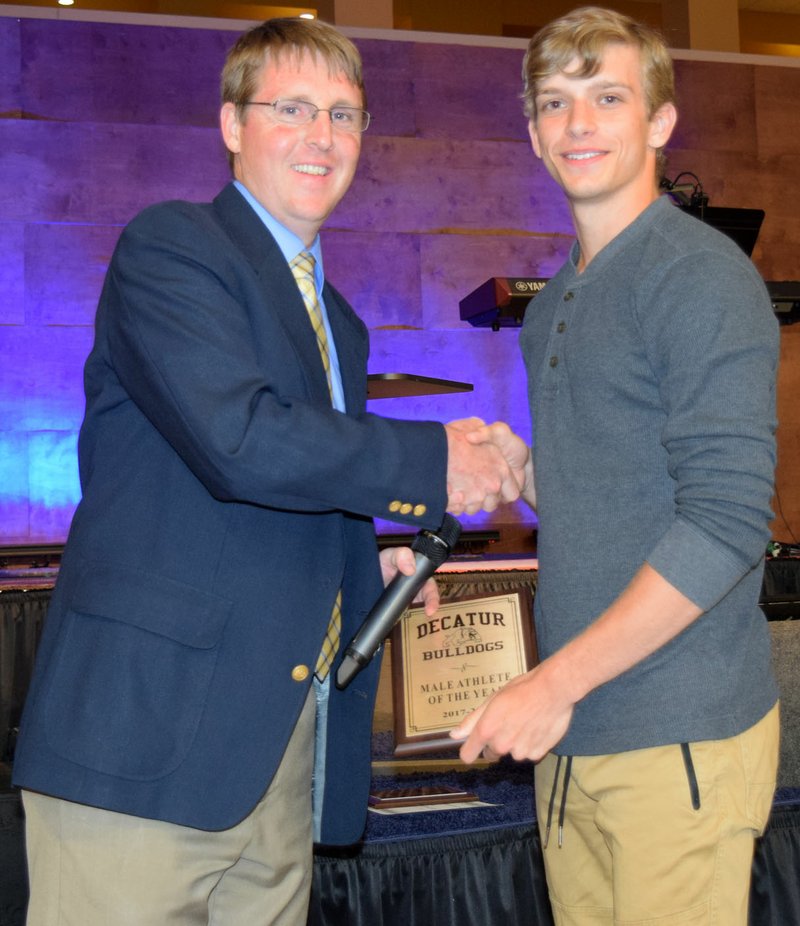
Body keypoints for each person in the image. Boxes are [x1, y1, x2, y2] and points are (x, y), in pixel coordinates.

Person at [12, 17, 526, 926]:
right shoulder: (172, 249)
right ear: (231, 124)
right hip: (146, 749)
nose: (322, 136)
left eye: (344, 114)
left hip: (277, 761)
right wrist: (437, 456)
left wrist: (355, 572)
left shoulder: (338, 317)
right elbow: (239, 440)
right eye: (291, 108)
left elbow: (288, 491)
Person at [452, 7, 780, 924]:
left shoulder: (698, 275)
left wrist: (552, 681)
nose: (580, 124)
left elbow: (724, 523)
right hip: (576, 734)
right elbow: (612, 498)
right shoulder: (556, 301)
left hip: (676, 734)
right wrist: (526, 476)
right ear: (533, 134)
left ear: (661, 121)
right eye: (556, 103)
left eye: (607, 96)